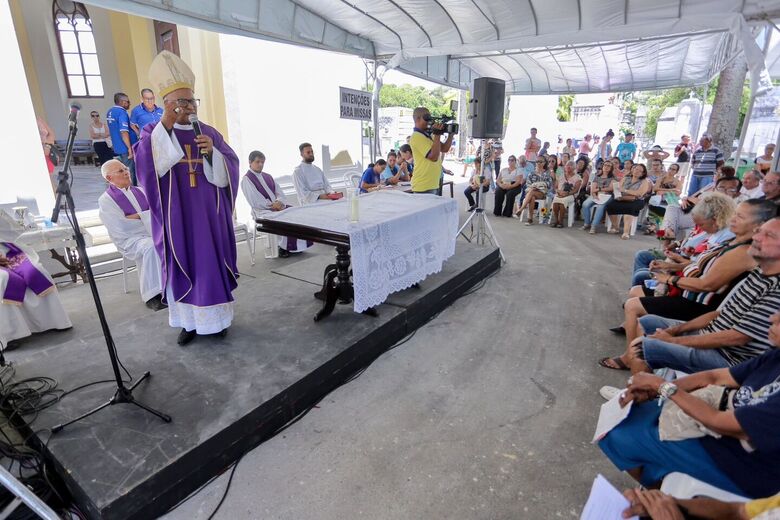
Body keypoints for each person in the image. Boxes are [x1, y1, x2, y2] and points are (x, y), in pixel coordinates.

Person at [599, 310, 780, 499]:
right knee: (629, 414)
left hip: (743, 464)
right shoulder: (775, 356)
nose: (772, 318)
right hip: (719, 416)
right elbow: (715, 376)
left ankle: (661, 497)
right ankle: (661, 487)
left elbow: (724, 423)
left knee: (616, 434)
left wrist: (662, 386)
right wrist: (654, 390)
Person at [134, 50, 240, 346]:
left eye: (192, 101)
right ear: (166, 105)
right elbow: (145, 166)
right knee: (186, 262)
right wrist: (164, 128)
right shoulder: (153, 133)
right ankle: (189, 324)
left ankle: (217, 321)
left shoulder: (207, 132)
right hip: (178, 215)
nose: (189, 107)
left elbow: (231, 164)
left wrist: (213, 154)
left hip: (209, 214)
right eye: (181, 102)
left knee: (210, 263)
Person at [614, 216, 780, 375]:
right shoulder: (759, 273)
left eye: (769, 235)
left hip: (730, 357)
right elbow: (718, 313)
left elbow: (736, 337)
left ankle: (638, 394)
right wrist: (675, 330)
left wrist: (672, 340)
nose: (757, 237)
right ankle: (643, 386)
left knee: (642, 347)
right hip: (710, 333)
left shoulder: (775, 288)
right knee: (646, 322)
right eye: (759, 231)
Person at [98, 159, 164, 310]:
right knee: (150, 247)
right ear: (109, 178)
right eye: (120, 171)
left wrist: (138, 216)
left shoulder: (140, 191)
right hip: (129, 239)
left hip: (152, 231)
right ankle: (153, 295)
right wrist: (145, 216)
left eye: (126, 169)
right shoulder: (106, 200)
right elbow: (120, 225)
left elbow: (157, 212)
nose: (127, 172)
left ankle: (172, 285)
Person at [0, 214, 71, 348]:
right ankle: (8, 335)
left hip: (7, 250)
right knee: (4, 279)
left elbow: (12, 231)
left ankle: (53, 321)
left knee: (36, 271)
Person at [241, 150, 312, 258]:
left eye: (262, 162)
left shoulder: (268, 176)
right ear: (250, 162)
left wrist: (280, 201)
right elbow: (255, 200)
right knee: (283, 218)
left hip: (277, 206)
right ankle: (282, 247)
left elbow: (280, 192)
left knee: (296, 213)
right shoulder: (247, 179)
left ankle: (296, 246)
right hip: (262, 211)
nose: (260, 164)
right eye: (258, 162)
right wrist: (272, 205)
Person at [409, 107, 453, 195]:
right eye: (427, 118)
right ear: (417, 119)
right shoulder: (416, 137)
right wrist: (437, 135)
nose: (429, 121)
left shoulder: (430, 134)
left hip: (433, 184)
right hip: (423, 186)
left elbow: (444, 148)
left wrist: (451, 134)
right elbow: (433, 157)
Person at [606, 163, 652, 240]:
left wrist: (625, 190)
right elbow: (618, 189)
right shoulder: (626, 178)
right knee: (610, 205)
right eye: (636, 169)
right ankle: (615, 227)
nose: (637, 171)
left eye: (640, 171)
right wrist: (623, 195)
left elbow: (639, 194)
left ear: (643, 173)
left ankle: (626, 232)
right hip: (623, 198)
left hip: (637, 201)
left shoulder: (644, 182)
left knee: (629, 208)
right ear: (633, 169)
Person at [106, 92, 138, 185]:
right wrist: (129, 149)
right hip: (125, 148)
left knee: (124, 170)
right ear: (123, 102)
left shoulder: (110, 111)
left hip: (118, 146)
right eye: (128, 101)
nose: (129, 103)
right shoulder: (122, 112)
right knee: (130, 171)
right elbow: (124, 131)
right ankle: (132, 192)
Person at [582, 159, 617, 233]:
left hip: (608, 196)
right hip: (597, 195)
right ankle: (587, 223)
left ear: (611, 168)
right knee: (585, 204)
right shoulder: (597, 176)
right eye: (605, 165)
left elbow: (611, 188)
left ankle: (593, 226)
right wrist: (594, 195)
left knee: (600, 206)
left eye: (609, 166)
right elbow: (592, 189)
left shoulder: (613, 178)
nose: (606, 167)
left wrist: (599, 189)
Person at [516, 157, 553, 225]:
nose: (538, 163)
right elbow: (528, 184)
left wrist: (538, 186)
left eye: (540, 162)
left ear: (544, 163)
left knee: (532, 192)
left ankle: (521, 209)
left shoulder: (547, 173)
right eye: (537, 162)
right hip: (531, 191)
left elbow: (549, 184)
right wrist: (533, 187)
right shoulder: (531, 173)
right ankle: (530, 219)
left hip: (542, 193)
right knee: (532, 196)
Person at [549, 160, 582, 228]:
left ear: (574, 168)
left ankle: (560, 221)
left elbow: (576, 190)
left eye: (571, 165)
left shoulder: (577, 177)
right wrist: (558, 191)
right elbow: (555, 187)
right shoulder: (561, 176)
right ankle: (556, 220)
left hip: (570, 195)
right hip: (560, 193)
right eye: (567, 165)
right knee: (555, 201)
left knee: (563, 201)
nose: (568, 166)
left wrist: (567, 193)